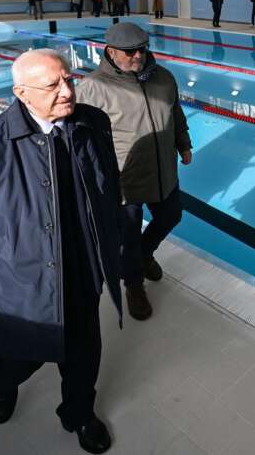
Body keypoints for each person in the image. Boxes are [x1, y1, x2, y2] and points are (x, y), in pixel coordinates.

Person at [0, 49, 123, 454]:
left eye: (69, 80)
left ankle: (78, 414)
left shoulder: (93, 123)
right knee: (21, 356)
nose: (67, 91)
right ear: (21, 93)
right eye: (52, 85)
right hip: (23, 284)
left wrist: (114, 245)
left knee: (83, 355)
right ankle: (4, 382)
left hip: (83, 273)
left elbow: (108, 186)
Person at [75, 23, 192, 322]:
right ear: (111, 51)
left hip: (163, 168)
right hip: (123, 177)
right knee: (127, 234)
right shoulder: (93, 88)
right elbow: (80, 139)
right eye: (129, 51)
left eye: (143, 48)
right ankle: (133, 285)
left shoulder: (164, 78)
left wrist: (184, 144)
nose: (138, 55)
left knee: (171, 216)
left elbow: (175, 113)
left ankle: (142, 257)